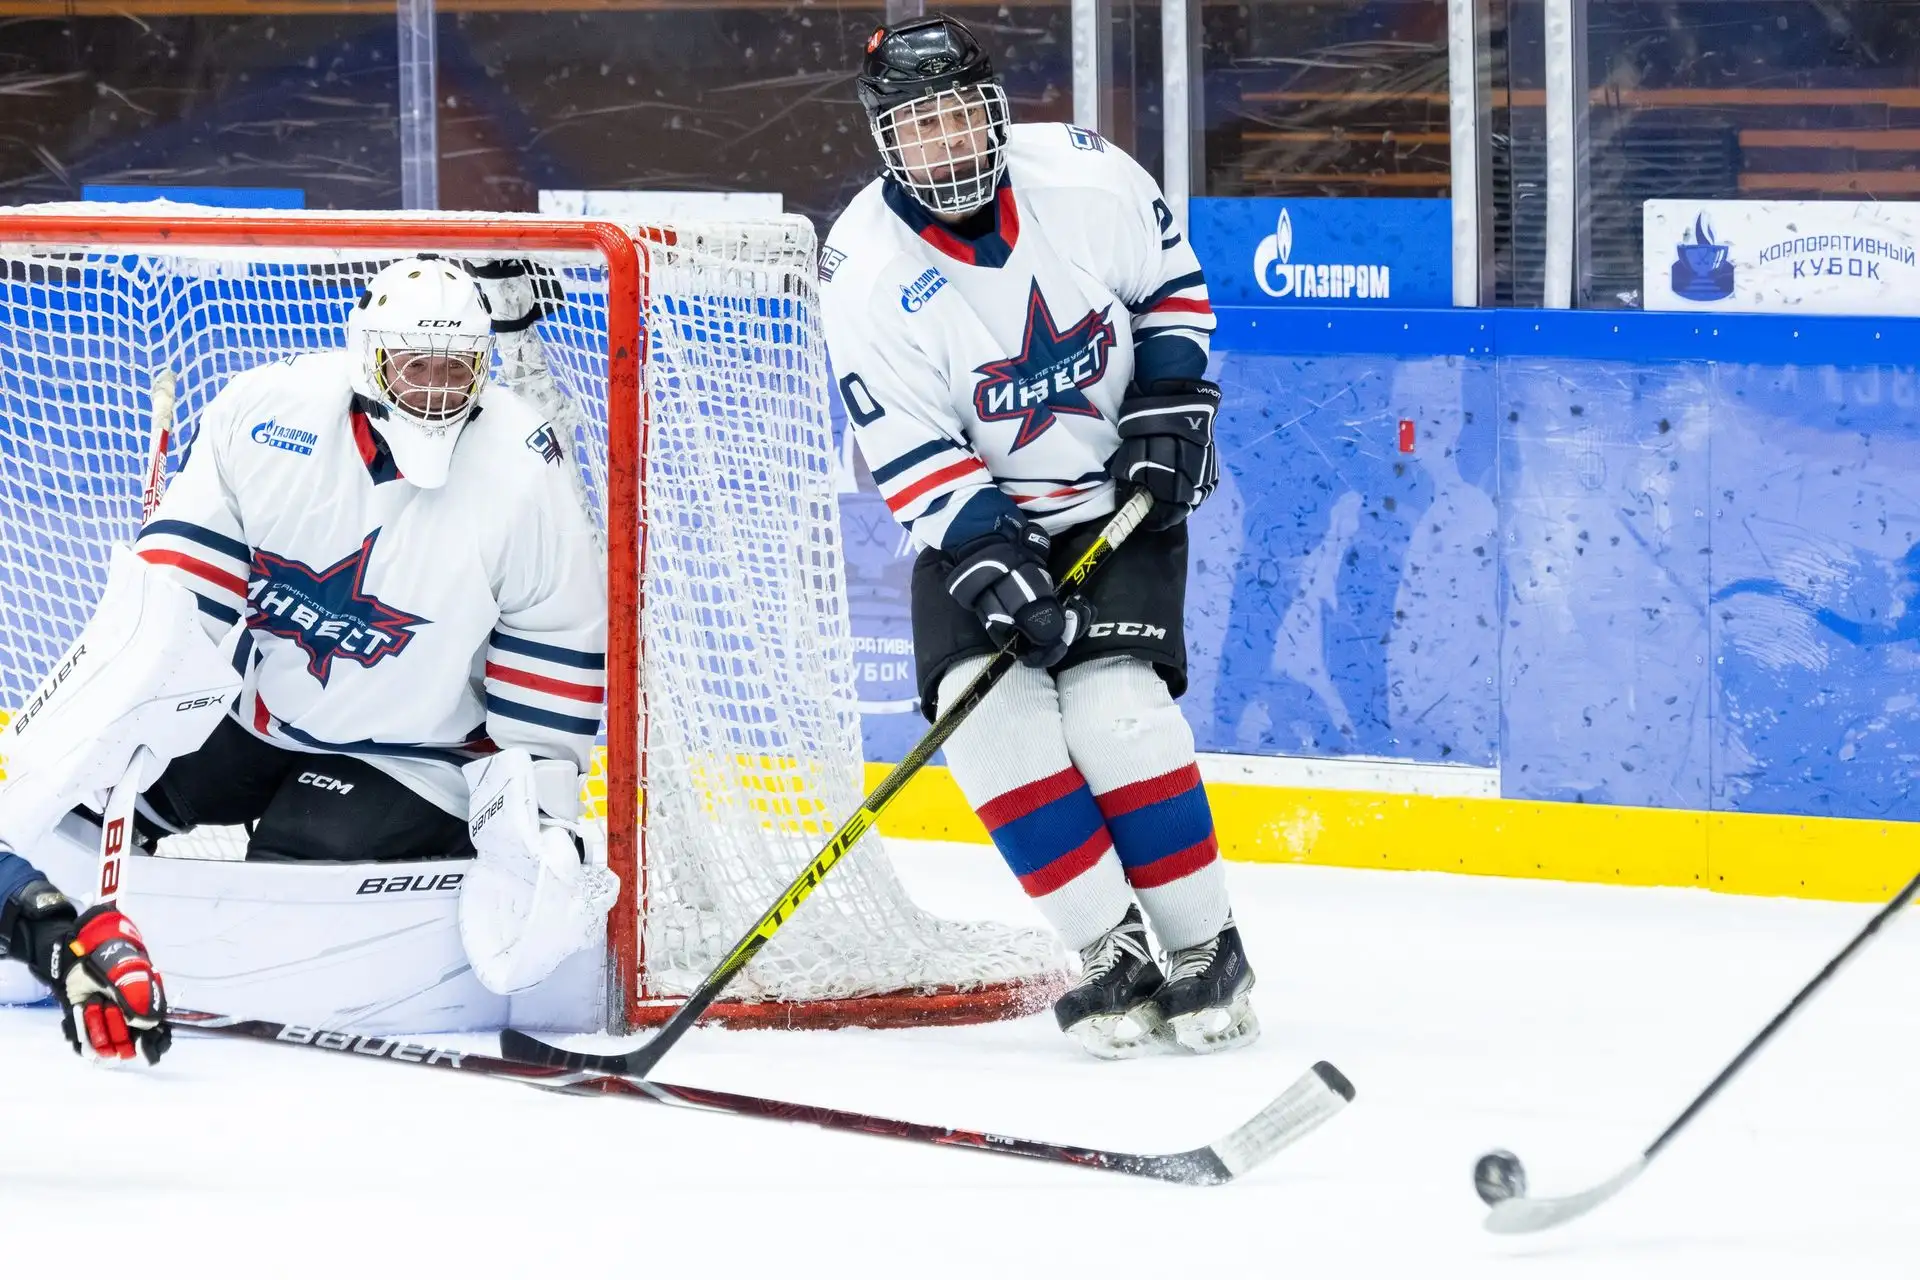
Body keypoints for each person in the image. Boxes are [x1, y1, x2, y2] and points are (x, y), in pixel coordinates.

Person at [0, 256, 615, 1044]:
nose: (436, 389)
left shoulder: (523, 470)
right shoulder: (264, 414)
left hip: (415, 756)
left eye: (456, 368)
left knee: (286, 896)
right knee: (71, 803)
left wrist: (540, 817)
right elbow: (178, 597)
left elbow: (551, 645)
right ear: (369, 358)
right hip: (262, 712)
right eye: (415, 365)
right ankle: (53, 946)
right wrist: (124, 709)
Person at [819, 15, 1252, 1058]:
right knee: (986, 719)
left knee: (1115, 713)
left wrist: (1170, 403)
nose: (946, 142)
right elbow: (910, 444)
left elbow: (1171, 290)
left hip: (1114, 500)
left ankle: (1208, 949)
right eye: (918, 126)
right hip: (983, 517)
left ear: (994, 109)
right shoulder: (863, 267)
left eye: (959, 115)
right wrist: (991, 554)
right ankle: (1111, 951)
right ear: (885, 141)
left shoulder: (1086, 179)